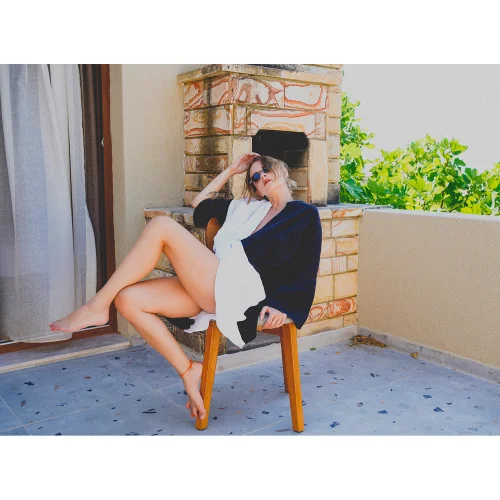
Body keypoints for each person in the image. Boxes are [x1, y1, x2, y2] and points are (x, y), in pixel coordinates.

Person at [48, 153, 322, 421]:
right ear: (257, 189)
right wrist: (231, 171)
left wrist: (284, 306)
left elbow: (306, 270)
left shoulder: (303, 214)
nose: (262, 177)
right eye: (255, 177)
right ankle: (188, 369)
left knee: (161, 226)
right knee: (127, 299)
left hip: (241, 292)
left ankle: (97, 305)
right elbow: (198, 204)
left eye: (266, 170)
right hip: (215, 282)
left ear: (282, 170)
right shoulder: (247, 208)